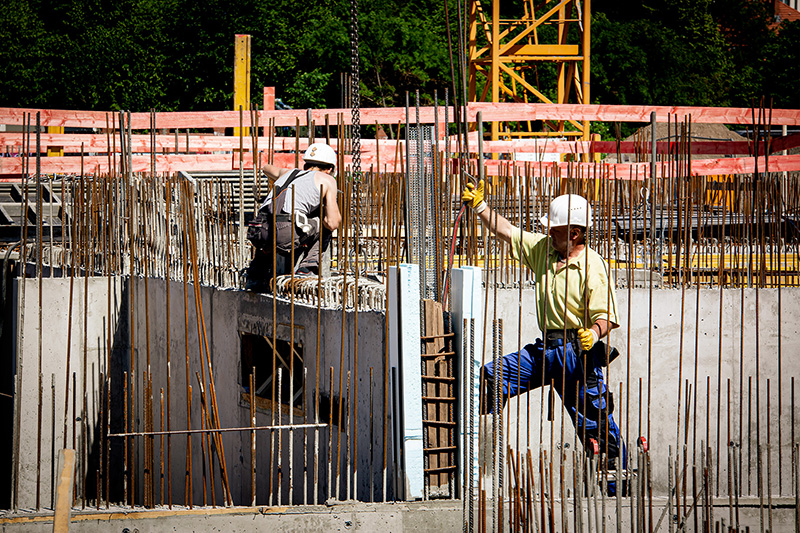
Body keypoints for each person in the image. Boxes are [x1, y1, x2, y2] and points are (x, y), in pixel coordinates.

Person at [462, 180, 626, 494]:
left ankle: (615, 480)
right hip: (547, 349)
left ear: (575, 232)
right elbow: (507, 231)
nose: (548, 232)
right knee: (491, 379)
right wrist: (481, 207)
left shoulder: (592, 266)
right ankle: (470, 454)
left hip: (575, 353)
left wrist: (593, 334)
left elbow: (605, 317)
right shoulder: (544, 251)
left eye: (555, 228)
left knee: (594, 419)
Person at [245, 142, 341, 291]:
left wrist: (276, 179)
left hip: (257, 230)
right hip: (284, 231)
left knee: (272, 227)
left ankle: (256, 275)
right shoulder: (327, 179)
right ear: (329, 169)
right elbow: (332, 223)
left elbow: (265, 168)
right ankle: (307, 268)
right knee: (322, 224)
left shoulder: (289, 173)